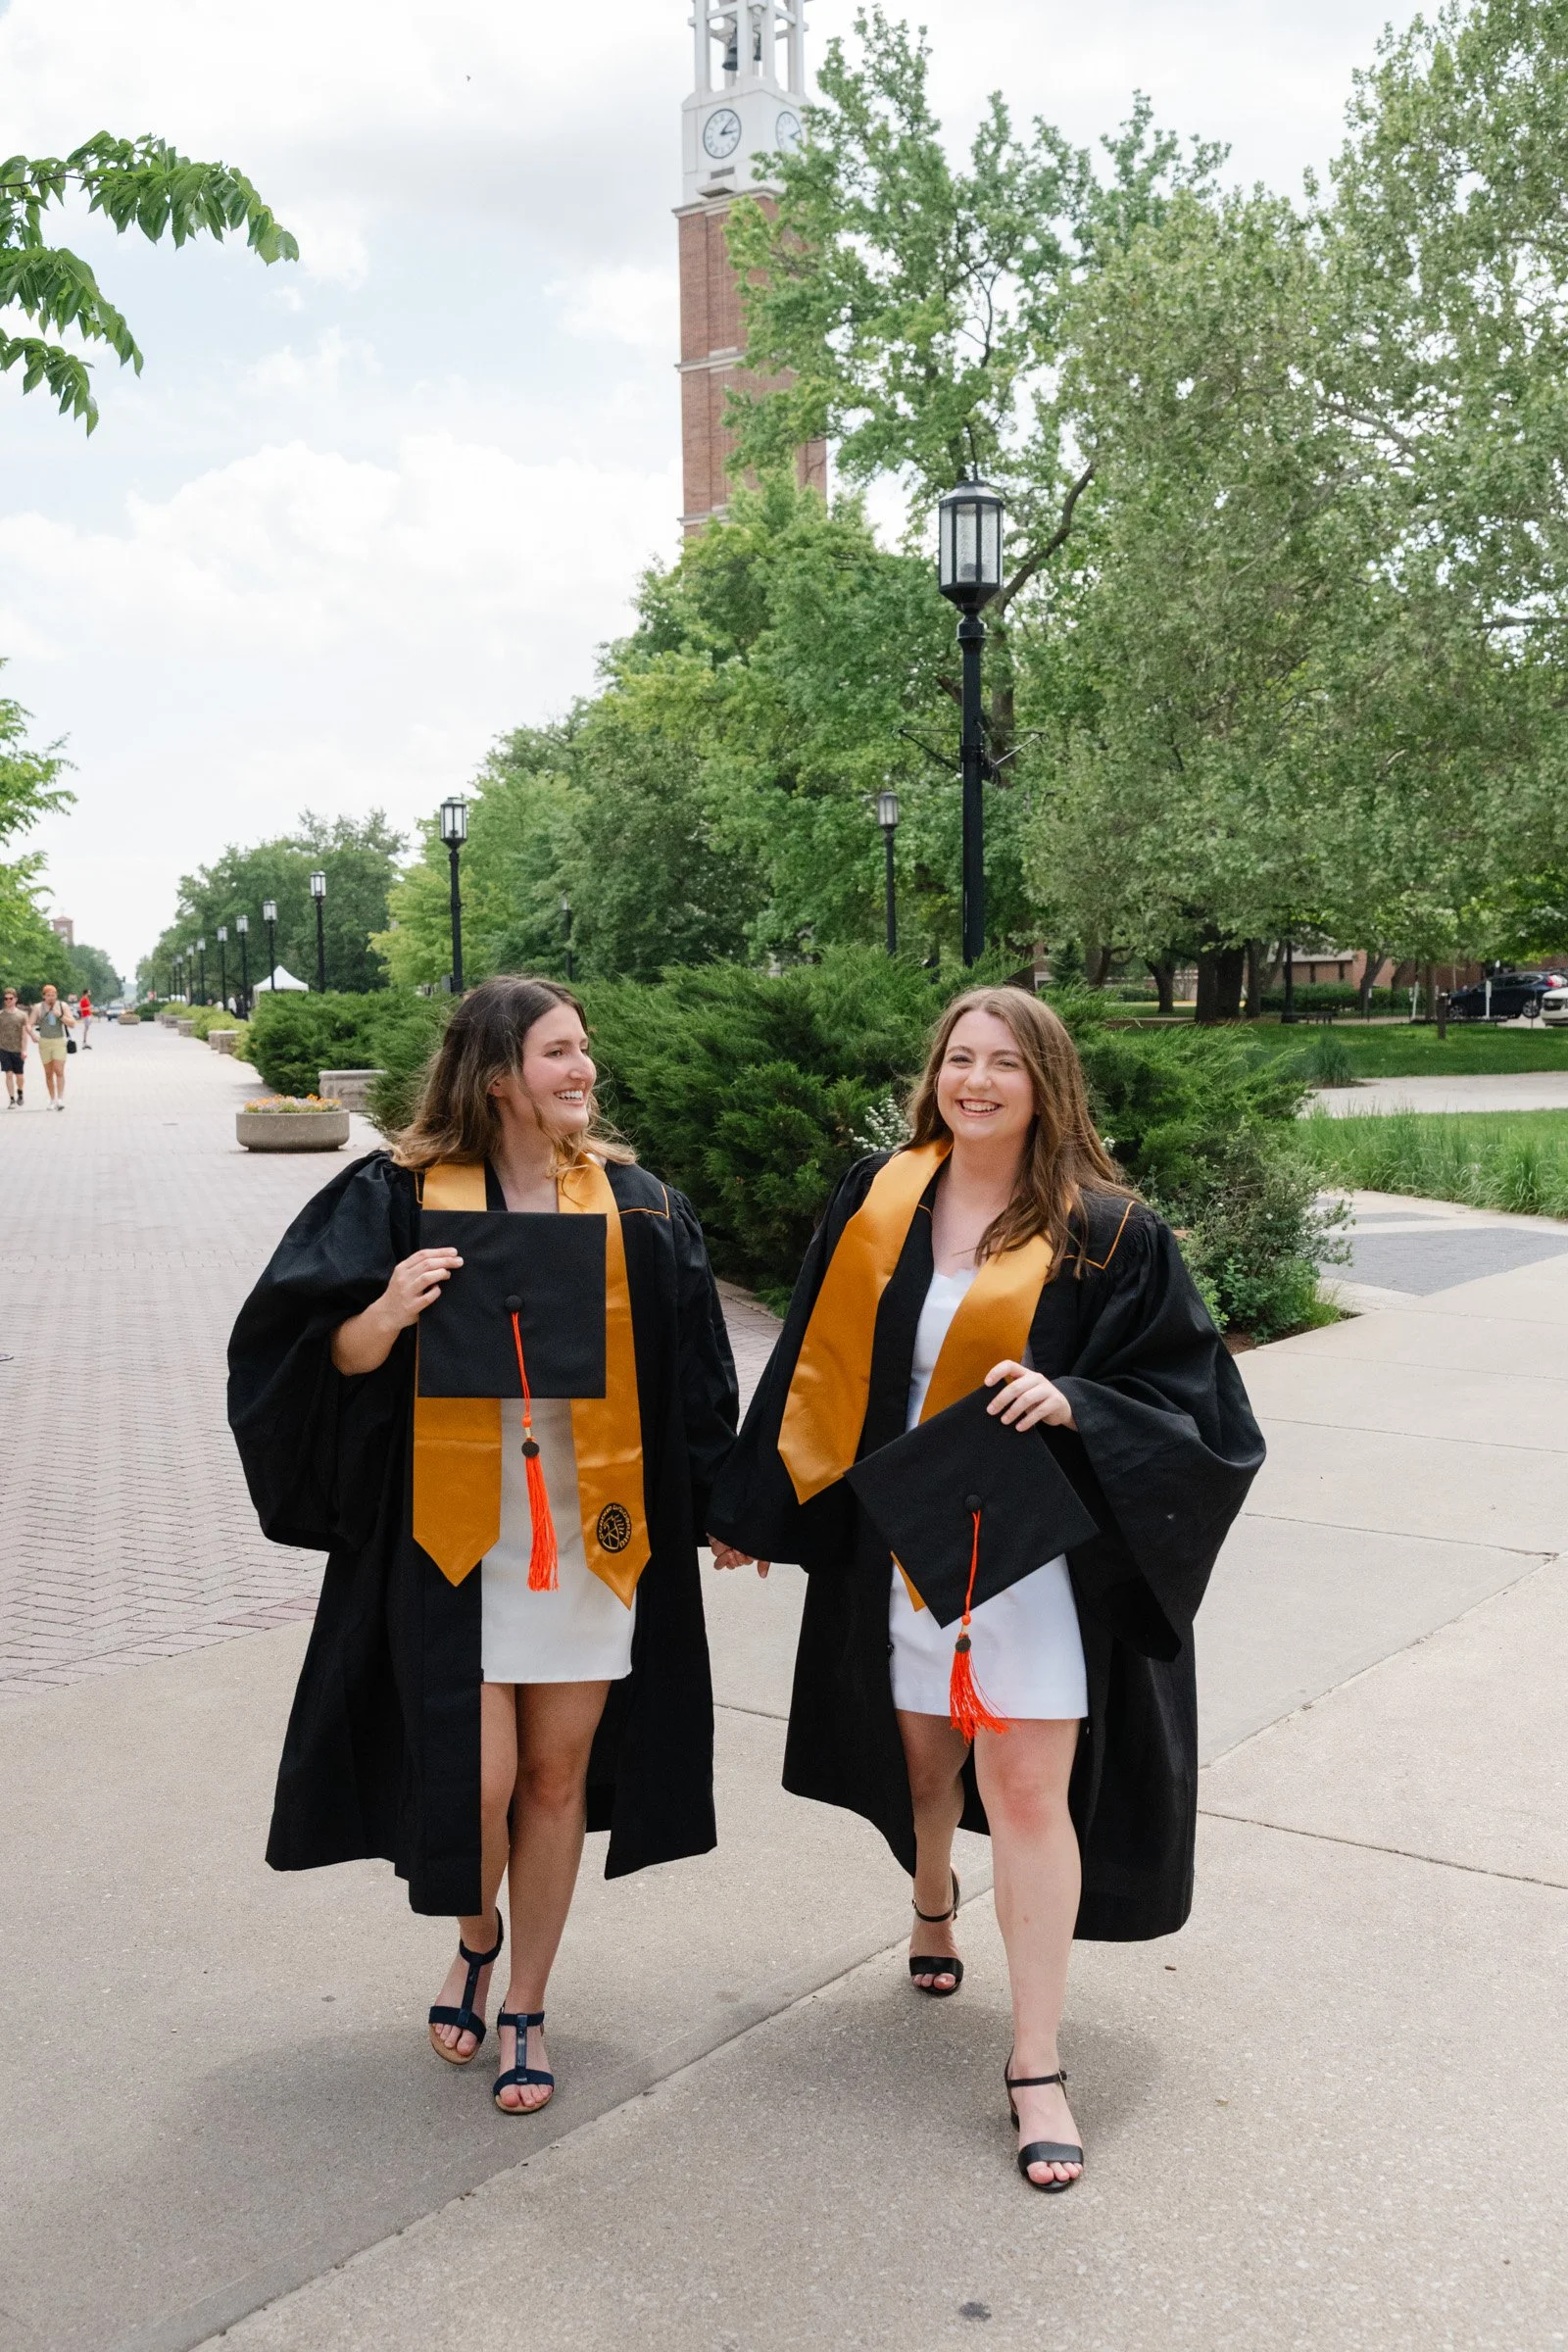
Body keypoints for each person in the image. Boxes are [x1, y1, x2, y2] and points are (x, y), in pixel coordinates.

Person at [709, 987, 1265, 2192]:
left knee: (1023, 1790)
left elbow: (1199, 1400)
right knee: (921, 1766)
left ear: (1044, 1083)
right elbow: (811, 1353)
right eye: (958, 1058)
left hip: (1030, 1559)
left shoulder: (1107, 1233)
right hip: (896, 1542)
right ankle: (930, 1900)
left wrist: (1081, 1402)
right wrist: (755, 1507)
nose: (975, 1080)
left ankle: (1035, 2062)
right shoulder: (879, 1197)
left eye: (1003, 1063)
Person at [228, 976, 742, 2114]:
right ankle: (475, 1936)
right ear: (498, 1072)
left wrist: (726, 1506)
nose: (583, 1068)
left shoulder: (639, 1208)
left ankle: (527, 2003)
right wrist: (385, 1312)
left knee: (555, 1781)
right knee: (475, 1782)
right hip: (455, 1540)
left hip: (592, 1537)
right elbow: (305, 1354)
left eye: (584, 1048)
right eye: (559, 1051)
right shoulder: (396, 1199)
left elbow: (698, 1375)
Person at [29, 984, 75, 1109]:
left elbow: (72, 1024)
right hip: (44, 1042)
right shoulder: (38, 1007)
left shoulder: (62, 1006)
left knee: (59, 1070)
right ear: (44, 996)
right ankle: (52, 1099)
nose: (51, 997)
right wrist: (32, 1035)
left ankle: (60, 1099)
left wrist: (60, 1015)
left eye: (53, 995)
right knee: (48, 1073)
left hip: (59, 1041)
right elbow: (29, 1024)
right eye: (48, 995)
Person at [0, 988, 26, 1106]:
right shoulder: (1, 1015)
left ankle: (20, 1092)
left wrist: (24, 1050)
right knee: (8, 1074)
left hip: (17, 1049)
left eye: (10, 998)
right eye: (6, 999)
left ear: (15, 999)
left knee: (19, 1076)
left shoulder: (22, 1015)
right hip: (4, 1048)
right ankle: (11, 1099)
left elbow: (24, 1034)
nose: (8, 1001)